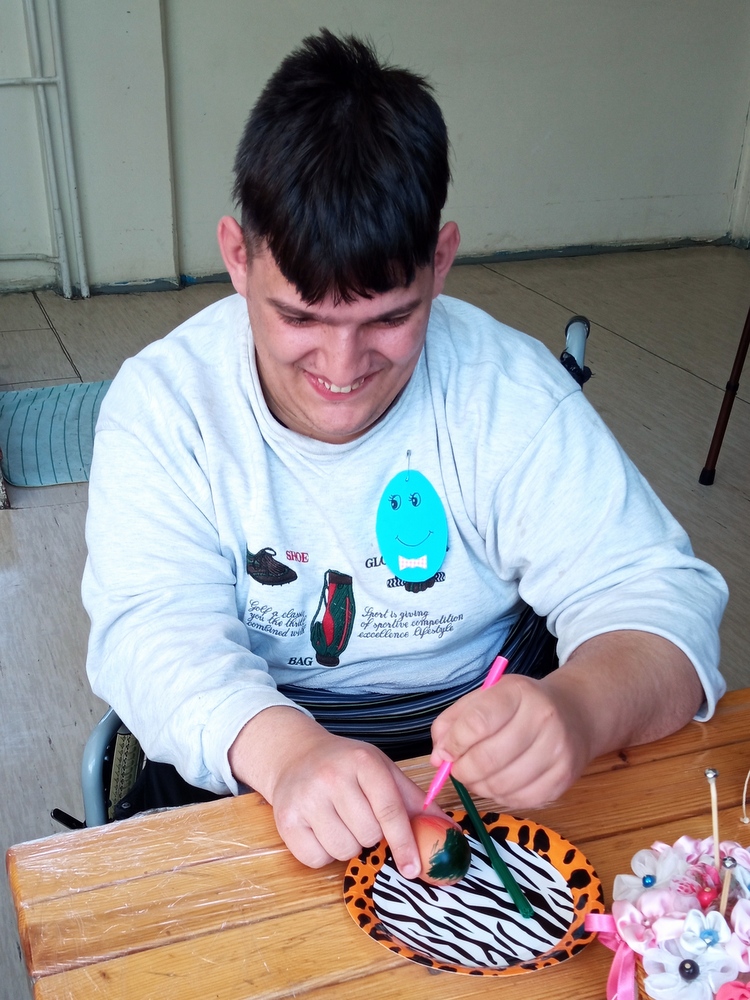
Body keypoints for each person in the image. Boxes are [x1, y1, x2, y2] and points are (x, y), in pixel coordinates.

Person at [82, 29, 727, 879]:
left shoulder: (507, 393)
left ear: (441, 261)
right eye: (299, 318)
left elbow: (662, 606)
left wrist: (577, 709)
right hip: (259, 764)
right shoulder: (167, 406)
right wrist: (285, 752)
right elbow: (149, 629)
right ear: (238, 258)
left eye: (389, 318)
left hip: (486, 779)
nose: (341, 370)